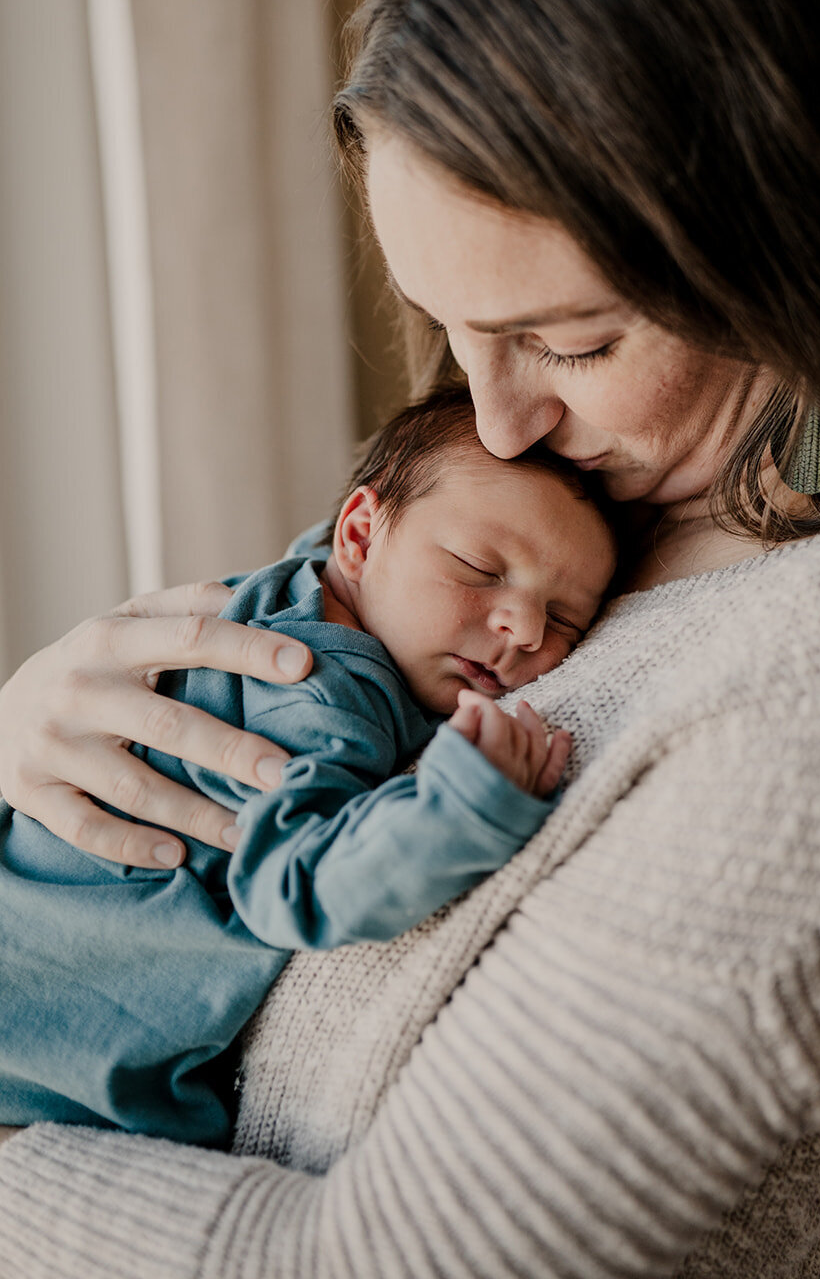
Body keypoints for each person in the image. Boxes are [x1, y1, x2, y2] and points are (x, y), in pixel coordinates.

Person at [0, 0, 820, 1278]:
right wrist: (48, 735)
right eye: (449, 327)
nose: (494, 424)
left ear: (788, 248)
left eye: (564, 340)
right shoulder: (578, 510)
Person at [0, 388, 614, 1144]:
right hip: (33, 1040)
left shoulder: (306, 582)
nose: (521, 626)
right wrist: (465, 806)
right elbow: (296, 884)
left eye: (563, 620)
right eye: (479, 567)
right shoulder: (324, 689)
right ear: (358, 535)